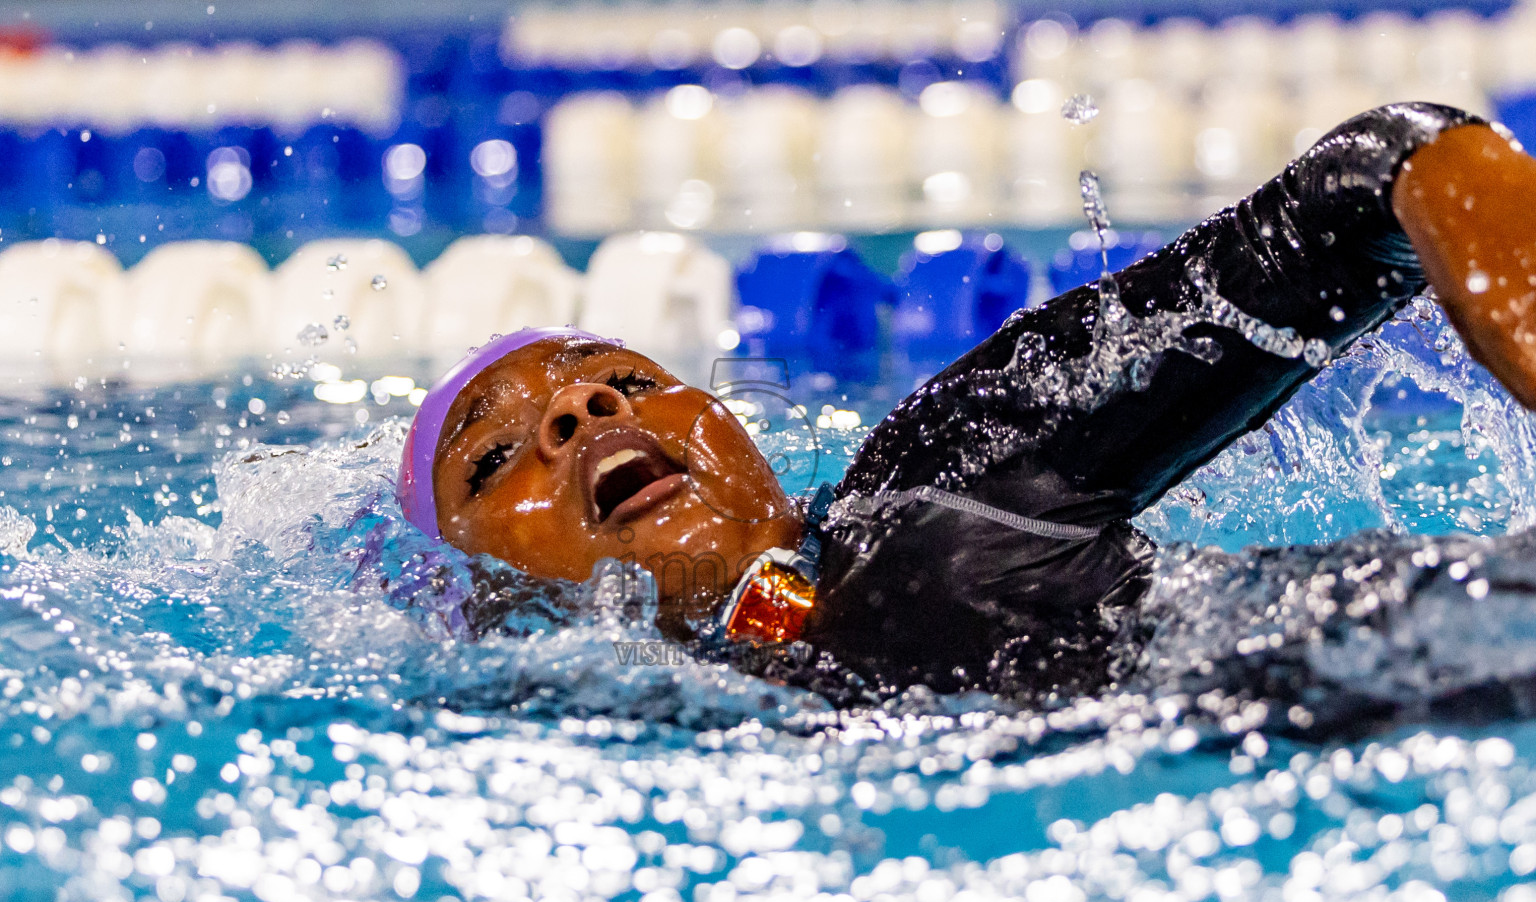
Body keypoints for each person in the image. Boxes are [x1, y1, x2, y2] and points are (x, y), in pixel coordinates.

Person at [397, 103, 1536, 704]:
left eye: (630, 380)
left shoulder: (939, 478)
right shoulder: (600, 746)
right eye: (491, 462)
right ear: (475, 607)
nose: (582, 409)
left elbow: (1383, 170)